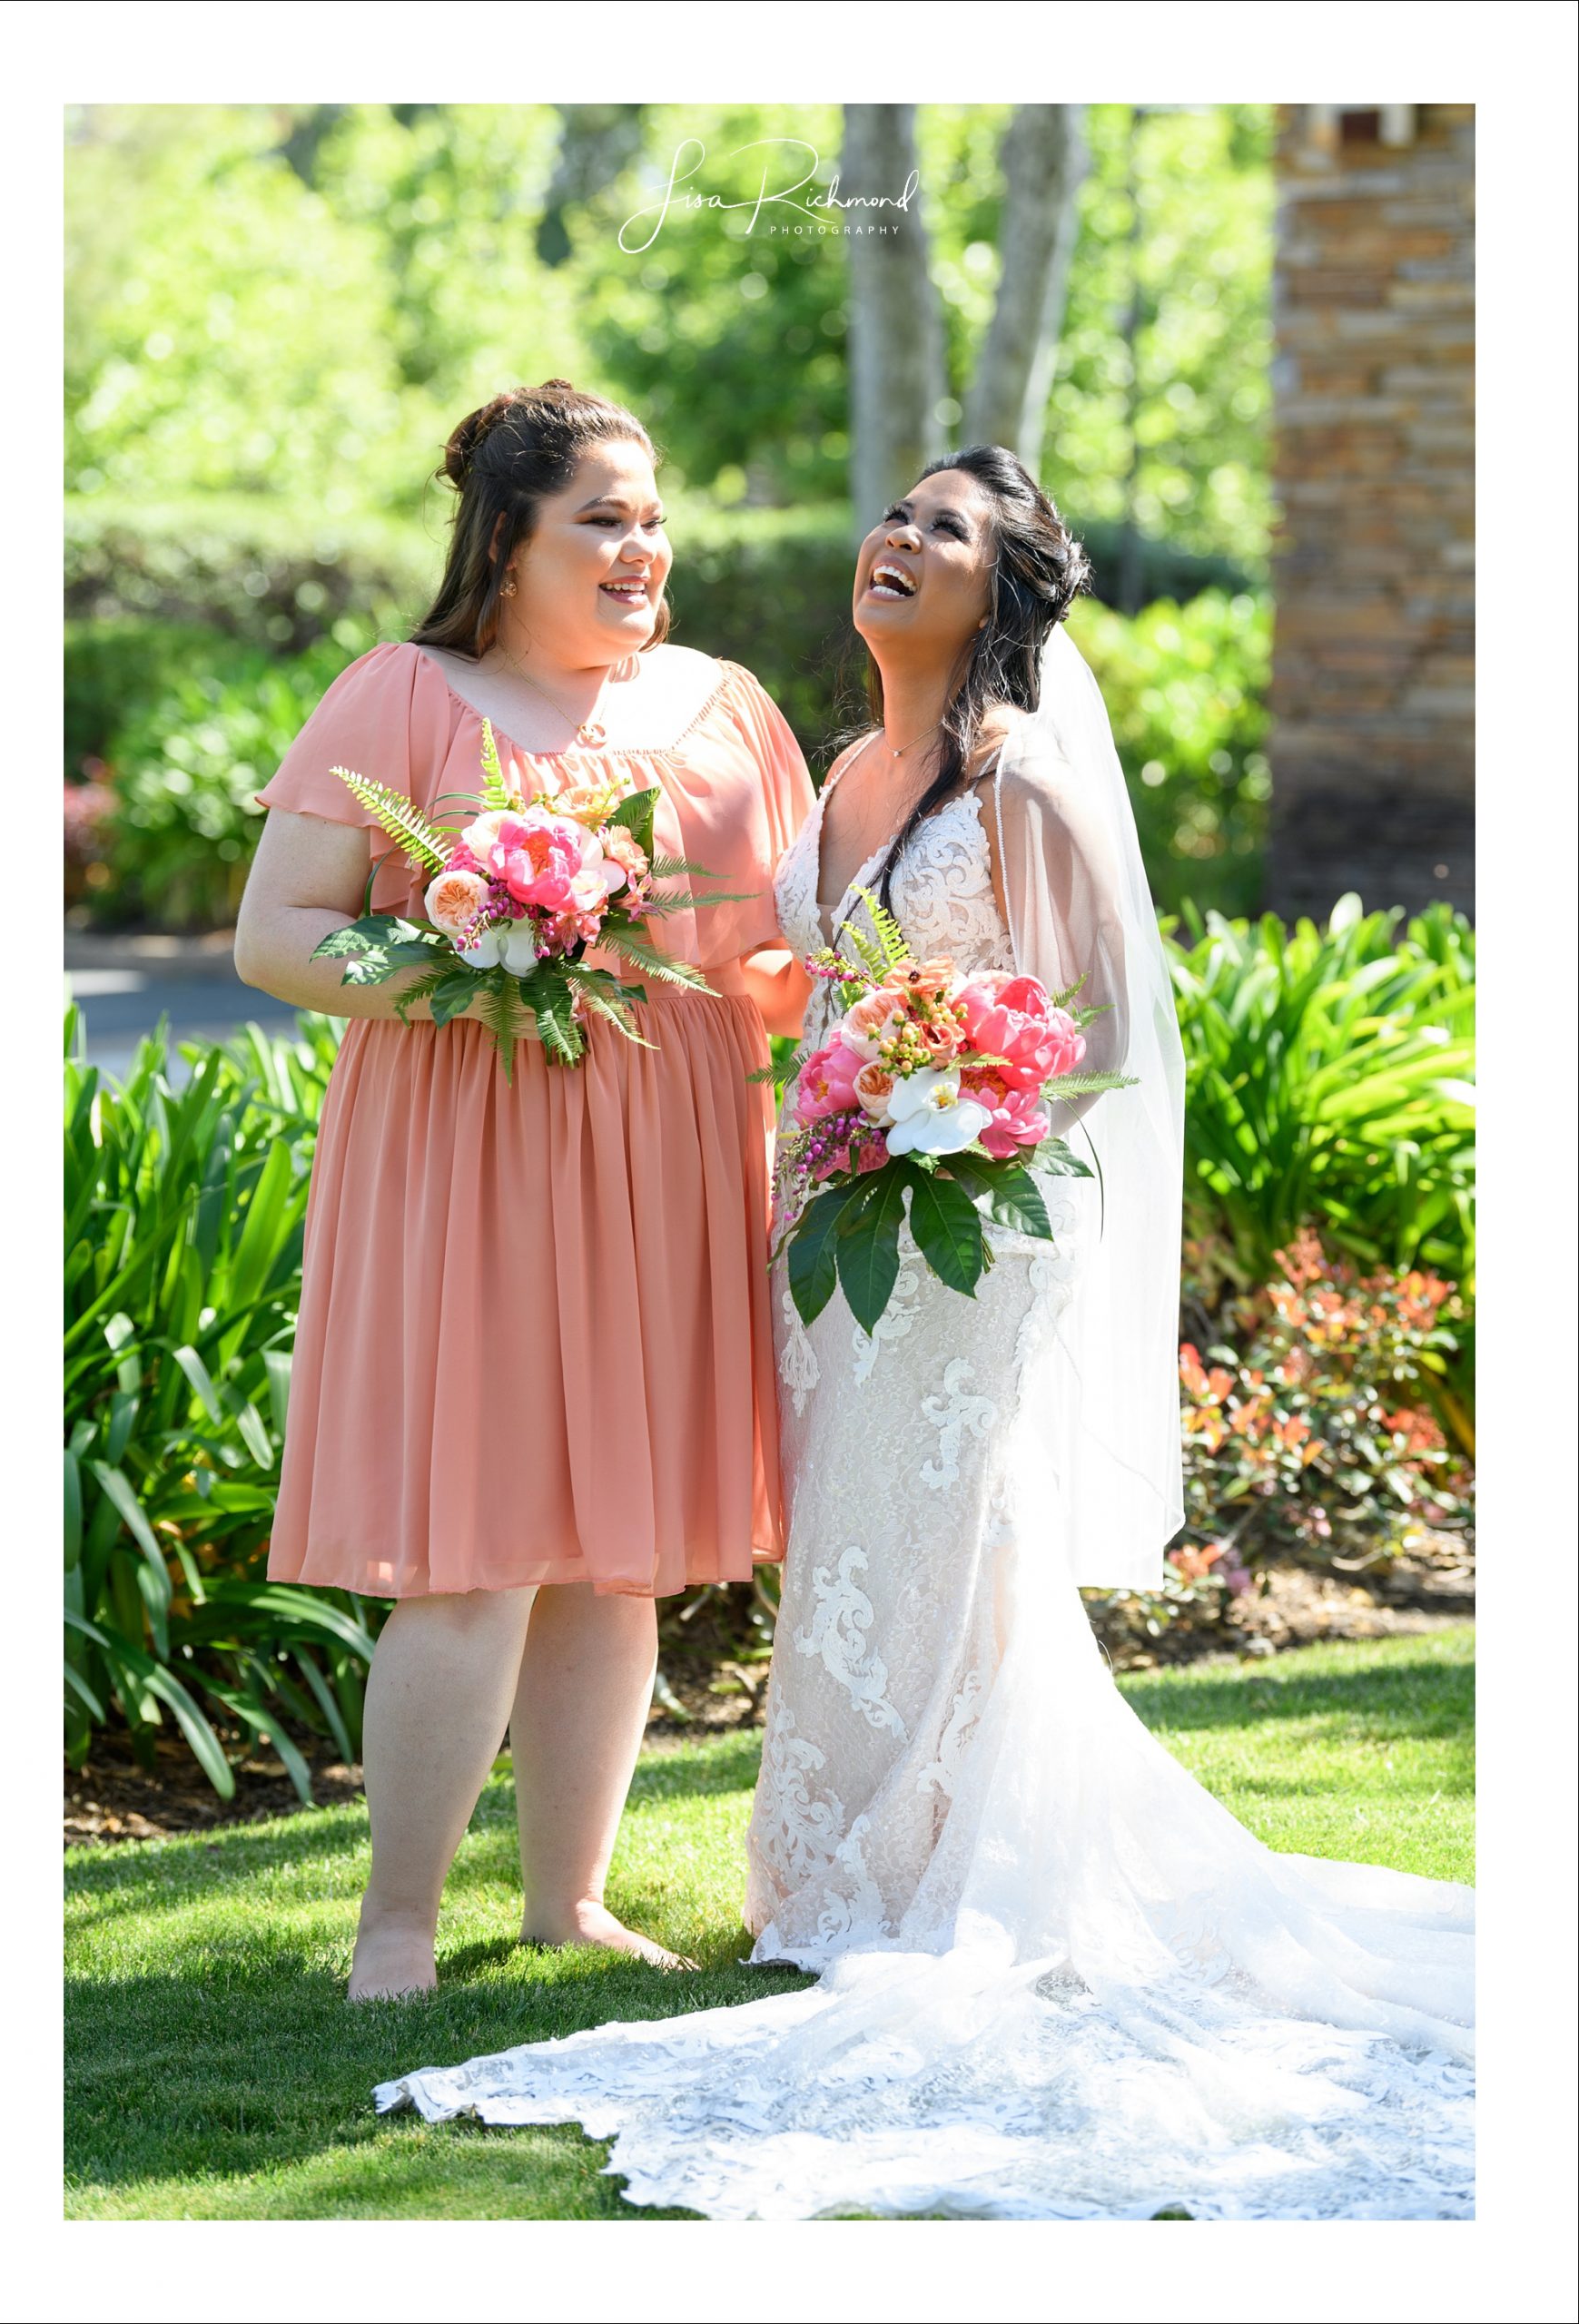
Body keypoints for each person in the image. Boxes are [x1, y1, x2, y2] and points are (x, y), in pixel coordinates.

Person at [375, 449, 1474, 2221]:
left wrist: (941, 1100)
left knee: (957, 1548)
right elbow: (789, 983)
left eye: (944, 528)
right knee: (860, 1556)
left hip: (965, 1228)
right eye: (895, 514)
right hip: (839, 1230)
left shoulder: (1016, 773)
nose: (898, 539)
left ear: (1004, 587)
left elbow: (1105, 1025)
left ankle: (944, 1877)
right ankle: (841, 1884)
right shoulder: (840, 776)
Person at [235, 379, 814, 2000]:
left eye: (652, 516)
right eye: (602, 520)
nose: (642, 549)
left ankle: (569, 1904)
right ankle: (396, 1931)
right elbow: (278, 936)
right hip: (468, 1154)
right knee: (476, 1547)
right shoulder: (404, 696)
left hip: (674, 1156)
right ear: (507, 538)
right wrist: (477, 959)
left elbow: (766, 949)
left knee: (612, 1551)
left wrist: (881, 1031)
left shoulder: (724, 707)